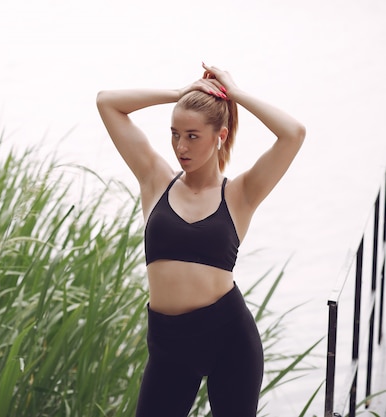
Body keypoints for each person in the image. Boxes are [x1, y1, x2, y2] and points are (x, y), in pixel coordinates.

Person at [96, 63, 305, 417]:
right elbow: (107, 103)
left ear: (219, 136)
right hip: (168, 345)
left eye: (193, 135)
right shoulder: (155, 179)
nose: (181, 145)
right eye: (175, 133)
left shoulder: (241, 194)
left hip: (230, 339)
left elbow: (293, 133)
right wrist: (179, 94)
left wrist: (234, 93)